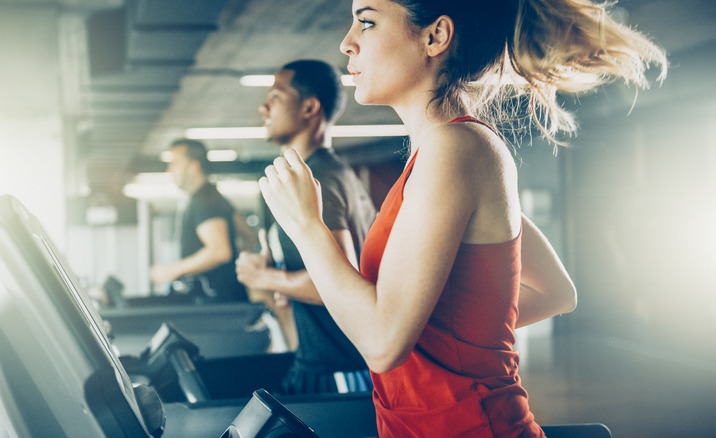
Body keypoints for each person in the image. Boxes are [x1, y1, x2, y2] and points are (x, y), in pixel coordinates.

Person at [258, 0, 666, 436]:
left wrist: (306, 226)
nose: (346, 43)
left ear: (435, 36)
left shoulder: (455, 148)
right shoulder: (439, 156)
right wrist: (434, 329)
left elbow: (381, 343)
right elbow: (555, 292)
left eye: (367, 23)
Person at [235, 59, 378, 395]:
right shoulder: (327, 172)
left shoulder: (319, 180)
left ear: (310, 107)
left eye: (276, 96)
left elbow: (339, 281)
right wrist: (286, 284)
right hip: (323, 361)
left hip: (338, 369)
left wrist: (266, 278)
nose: (264, 107)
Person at [149, 138, 248, 304]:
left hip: (216, 303)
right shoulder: (214, 197)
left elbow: (220, 251)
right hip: (227, 298)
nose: (169, 170)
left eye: (175, 164)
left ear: (193, 167)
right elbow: (248, 236)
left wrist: (172, 270)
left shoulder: (203, 200)